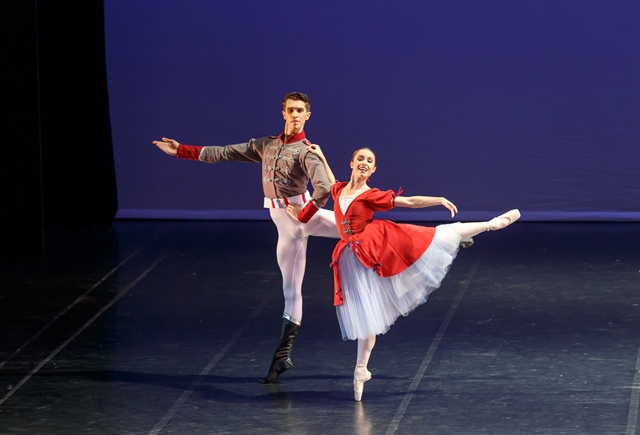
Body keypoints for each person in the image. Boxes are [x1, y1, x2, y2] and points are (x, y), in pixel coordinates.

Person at [287, 145, 520, 401]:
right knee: (367, 317)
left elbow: (408, 202)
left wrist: (438, 200)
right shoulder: (340, 188)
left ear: (373, 170)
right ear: (352, 163)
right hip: (351, 259)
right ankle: (361, 370)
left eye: (369, 161)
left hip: (375, 247)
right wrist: (320, 155)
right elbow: (330, 181)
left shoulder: (370, 195)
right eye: (360, 159)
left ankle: (490, 225)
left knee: (440, 233)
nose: (364, 163)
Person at [153, 92, 339, 384]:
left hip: (303, 217)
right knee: (291, 291)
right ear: (283, 113)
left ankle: (413, 244)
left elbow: (325, 188)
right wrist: (182, 151)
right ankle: (282, 356)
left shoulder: (306, 152)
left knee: (355, 229)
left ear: (307, 116)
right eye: (290, 110)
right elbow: (225, 152)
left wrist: (303, 216)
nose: (294, 115)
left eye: (300, 111)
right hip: (287, 228)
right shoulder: (266, 145)